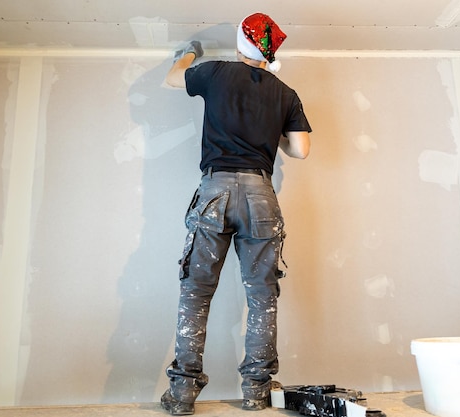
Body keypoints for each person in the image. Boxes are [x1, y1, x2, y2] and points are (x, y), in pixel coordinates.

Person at [160, 12, 312, 416]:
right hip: (261, 195)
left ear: (240, 44)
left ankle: (182, 395)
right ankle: (257, 394)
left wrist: (188, 54)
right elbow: (300, 150)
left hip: (215, 191)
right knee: (263, 297)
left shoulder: (216, 74)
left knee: (196, 293)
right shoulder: (286, 93)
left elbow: (173, 79)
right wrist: (270, 129)